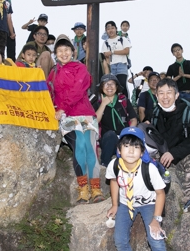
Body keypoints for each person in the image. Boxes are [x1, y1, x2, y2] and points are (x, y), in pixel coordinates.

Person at [106, 127, 173, 251]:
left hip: (149, 203)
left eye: (136, 147)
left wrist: (156, 219)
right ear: (119, 149)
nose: (131, 150)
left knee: (155, 239)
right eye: (127, 145)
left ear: (142, 151)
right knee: (120, 240)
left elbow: (160, 193)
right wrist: (115, 204)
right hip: (126, 203)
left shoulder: (148, 168)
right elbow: (114, 181)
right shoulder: (114, 164)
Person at [47, 35, 100, 203]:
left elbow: (78, 89)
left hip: (83, 111)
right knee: (80, 146)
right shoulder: (53, 73)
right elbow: (47, 93)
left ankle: (96, 188)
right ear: (55, 53)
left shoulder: (80, 68)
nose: (63, 53)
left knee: (89, 147)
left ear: (73, 51)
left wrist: (63, 107)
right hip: (67, 116)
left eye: (66, 50)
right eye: (60, 50)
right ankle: (83, 188)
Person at [151, 78, 190, 213]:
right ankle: (151, 200)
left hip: (184, 153)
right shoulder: (156, 113)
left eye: (169, 93)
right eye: (161, 93)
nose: (165, 97)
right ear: (156, 96)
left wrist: (174, 153)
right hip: (164, 153)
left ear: (176, 95)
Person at [94, 74, 137, 168]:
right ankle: (105, 164)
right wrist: (104, 104)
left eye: (112, 84)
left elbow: (133, 119)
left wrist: (129, 132)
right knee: (110, 135)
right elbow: (95, 121)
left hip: (124, 138)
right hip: (107, 139)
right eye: (106, 84)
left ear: (117, 87)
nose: (109, 87)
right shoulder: (98, 104)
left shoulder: (124, 101)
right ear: (102, 87)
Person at [101, 21, 131, 93]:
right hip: (111, 66)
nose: (110, 30)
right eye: (108, 29)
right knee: (113, 86)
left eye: (112, 28)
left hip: (122, 64)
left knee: (122, 84)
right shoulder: (105, 42)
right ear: (106, 30)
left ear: (116, 29)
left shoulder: (122, 39)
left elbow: (126, 51)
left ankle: (126, 103)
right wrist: (107, 71)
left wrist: (112, 52)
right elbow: (105, 56)